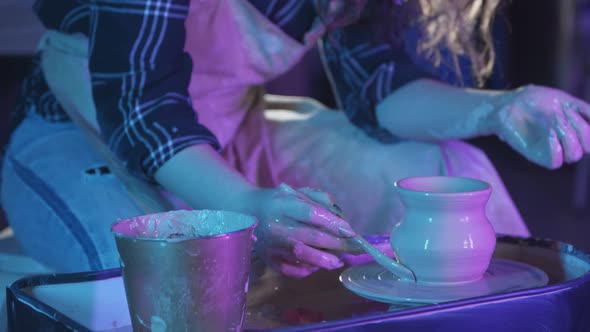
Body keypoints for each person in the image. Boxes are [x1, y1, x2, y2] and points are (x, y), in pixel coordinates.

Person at [2, 0, 589, 278]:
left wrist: (500, 108)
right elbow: (143, 109)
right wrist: (248, 210)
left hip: (230, 127)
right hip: (81, 133)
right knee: (164, 281)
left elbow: (381, 92)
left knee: (444, 167)